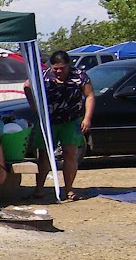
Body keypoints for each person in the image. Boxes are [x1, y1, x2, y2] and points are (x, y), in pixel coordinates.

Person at [27, 50, 96, 201]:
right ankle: (39, 189)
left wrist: (87, 118)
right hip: (48, 121)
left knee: (70, 153)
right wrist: (34, 106)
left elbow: (90, 95)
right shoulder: (44, 75)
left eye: (62, 68)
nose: (58, 71)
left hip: (71, 120)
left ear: (68, 65)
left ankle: (69, 189)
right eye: (55, 68)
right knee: (44, 156)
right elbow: (27, 86)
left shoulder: (79, 76)